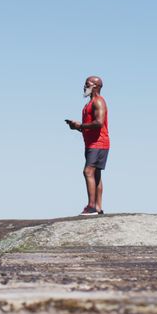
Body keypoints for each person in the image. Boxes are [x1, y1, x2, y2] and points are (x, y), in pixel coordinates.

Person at [65, 76, 110, 215]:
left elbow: (99, 123)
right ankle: (97, 207)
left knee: (88, 171)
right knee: (95, 173)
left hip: (99, 143)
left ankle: (91, 207)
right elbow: (91, 126)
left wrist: (81, 125)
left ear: (96, 86)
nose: (84, 86)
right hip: (91, 144)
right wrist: (77, 127)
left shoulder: (99, 102)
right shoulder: (88, 105)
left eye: (87, 84)